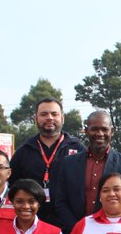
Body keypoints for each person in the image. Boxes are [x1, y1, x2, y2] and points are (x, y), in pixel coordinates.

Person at [9, 96, 86, 224]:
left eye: (54, 114)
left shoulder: (78, 149)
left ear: (62, 118)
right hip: (32, 221)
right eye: (44, 114)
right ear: (36, 119)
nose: (49, 117)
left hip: (69, 222)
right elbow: (12, 186)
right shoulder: (23, 151)